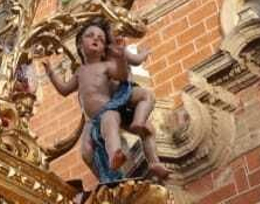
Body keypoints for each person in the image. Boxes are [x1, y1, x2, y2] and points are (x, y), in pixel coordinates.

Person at [44, 19, 168, 183]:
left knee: (117, 124)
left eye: (100, 39)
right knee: (86, 152)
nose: (95, 39)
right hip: (92, 120)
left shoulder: (106, 66)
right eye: (90, 36)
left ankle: (120, 153)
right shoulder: (80, 72)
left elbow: (122, 75)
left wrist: (120, 56)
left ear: (103, 50)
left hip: (110, 108)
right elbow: (64, 90)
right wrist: (51, 73)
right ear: (80, 46)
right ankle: (108, 181)